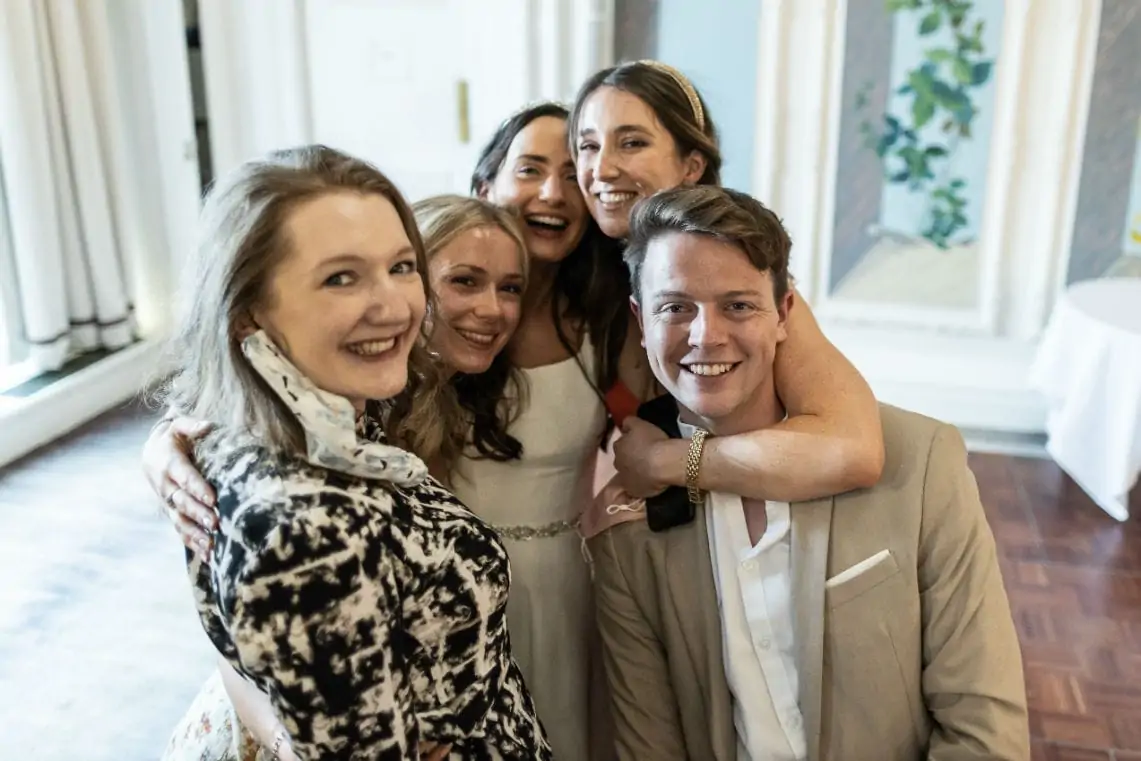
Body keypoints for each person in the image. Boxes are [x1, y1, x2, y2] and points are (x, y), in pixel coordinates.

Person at [150, 64, 887, 759]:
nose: (581, 179)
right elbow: (270, 392)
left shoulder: (633, 299)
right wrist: (176, 443)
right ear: (482, 185)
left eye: (603, 153)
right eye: (569, 155)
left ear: (691, 164)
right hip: (396, 620)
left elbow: (850, 444)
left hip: (581, 584)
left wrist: (664, 462)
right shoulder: (403, 324)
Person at [588, 185, 1030, 761]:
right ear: (641, 322)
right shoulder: (628, 533)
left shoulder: (923, 465)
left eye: (738, 305)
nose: (706, 335)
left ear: (785, 315)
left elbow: (983, 729)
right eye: (676, 308)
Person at [157, 146, 550, 761]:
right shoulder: (307, 522)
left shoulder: (349, 410)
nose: (393, 306)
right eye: (342, 277)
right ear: (245, 312)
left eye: (399, 267)